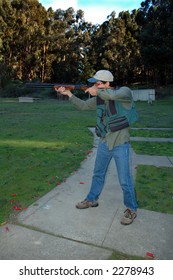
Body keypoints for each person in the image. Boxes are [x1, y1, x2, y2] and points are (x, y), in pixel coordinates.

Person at [56, 70, 139, 225]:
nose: (95, 85)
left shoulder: (124, 92)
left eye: (98, 83)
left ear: (108, 83)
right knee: (98, 174)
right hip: (103, 142)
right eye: (94, 83)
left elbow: (112, 96)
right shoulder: (100, 97)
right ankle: (92, 199)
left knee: (125, 180)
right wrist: (69, 94)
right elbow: (83, 106)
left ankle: (131, 209)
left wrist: (97, 92)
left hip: (120, 144)